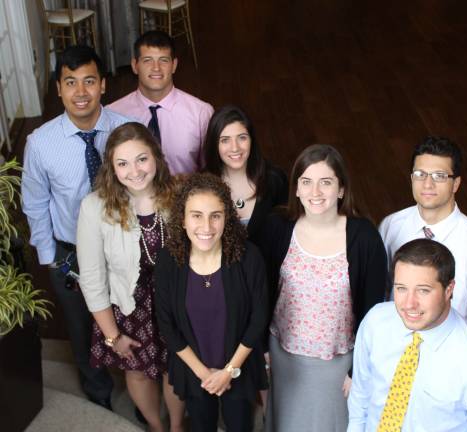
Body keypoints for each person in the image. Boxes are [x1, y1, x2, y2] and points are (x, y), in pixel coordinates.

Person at [21, 45, 131, 409]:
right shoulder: (40, 143)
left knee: (132, 317)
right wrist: (50, 257)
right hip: (71, 254)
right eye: (71, 83)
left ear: (103, 85)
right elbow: (35, 203)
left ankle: (140, 389)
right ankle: (98, 394)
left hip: (125, 245)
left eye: (88, 81)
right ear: (58, 89)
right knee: (82, 328)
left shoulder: (127, 130)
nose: (80, 92)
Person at [262, 144, 388, 432]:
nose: (315, 192)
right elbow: (262, 292)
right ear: (295, 189)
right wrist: (260, 348)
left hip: (338, 362)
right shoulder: (278, 227)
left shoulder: (363, 237)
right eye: (306, 182)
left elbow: (374, 311)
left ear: (341, 189)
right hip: (283, 355)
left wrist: (358, 370)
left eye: (326, 182)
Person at [76, 123, 185, 431]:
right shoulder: (94, 207)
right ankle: (156, 425)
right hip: (128, 307)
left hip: (175, 302)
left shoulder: (179, 194)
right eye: (122, 163)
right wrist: (112, 336)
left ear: (156, 158)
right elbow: (93, 278)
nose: (134, 171)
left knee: (176, 368)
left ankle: (177, 426)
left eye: (142, 159)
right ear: (111, 167)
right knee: (137, 372)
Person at [347, 238, 467, 431]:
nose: (409, 304)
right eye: (401, 288)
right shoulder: (376, 322)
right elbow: (361, 395)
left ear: (449, 289)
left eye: (423, 291)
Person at [154, 173, 268, 432]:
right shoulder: (168, 261)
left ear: (226, 218)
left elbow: (258, 318)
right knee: (201, 425)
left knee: (240, 425)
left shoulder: (249, 258)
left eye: (215, 215)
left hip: (238, 366)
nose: (206, 227)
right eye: (196, 215)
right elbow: (166, 324)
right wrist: (205, 375)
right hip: (193, 369)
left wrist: (228, 371)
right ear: (182, 219)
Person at [378, 136, 467, 342]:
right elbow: (383, 292)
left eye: (439, 175)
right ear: (411, 179)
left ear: (456, 184)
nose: (427, 184)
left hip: (449, 354)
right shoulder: (390, 226)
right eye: (420, 174)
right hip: (394, 342)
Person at [108, 30, 213, 174]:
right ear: (135, 65)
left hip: (186, 194)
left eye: (163, 60)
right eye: (147, 60)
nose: (156, 68)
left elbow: (211, 170)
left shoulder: (201, 113)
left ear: (174, 65)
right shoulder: (113, 114)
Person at [203, 104, 288, 246]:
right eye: (225, 140)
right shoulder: (202, 184)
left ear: (251, 140)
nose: (235, 147)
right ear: (214, 144)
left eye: (242, 138)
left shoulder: (275, 180)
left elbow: (287, 231)